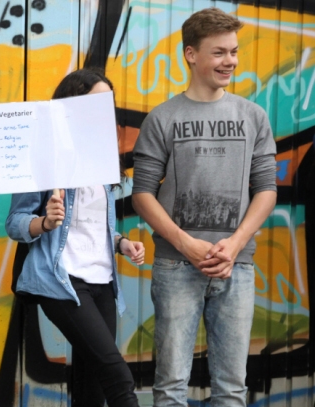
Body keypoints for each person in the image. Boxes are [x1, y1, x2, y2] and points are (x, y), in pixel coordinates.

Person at [131, 8, 277, 407]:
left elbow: (266, 189)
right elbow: (142, 194)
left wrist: (235, 243)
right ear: (191, 54)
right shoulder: (162, 118)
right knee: (171, 387)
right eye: (219, 52)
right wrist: (186, 244)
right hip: (176, 266)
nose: (230, 61)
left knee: (231, 389)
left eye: (234, 51)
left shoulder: (253, 116)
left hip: (236, 265)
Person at [6, 69, 145, 407]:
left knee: (91, 385)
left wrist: (120, 243)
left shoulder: (101, 157)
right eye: (95, 102)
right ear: (71, 104)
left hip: (102, 281)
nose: (103, 111)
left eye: (108, 103)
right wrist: (45, 222)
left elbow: (92, 223)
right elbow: (15, 223)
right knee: (117, 375)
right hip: (62, 279)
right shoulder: (42, 154)